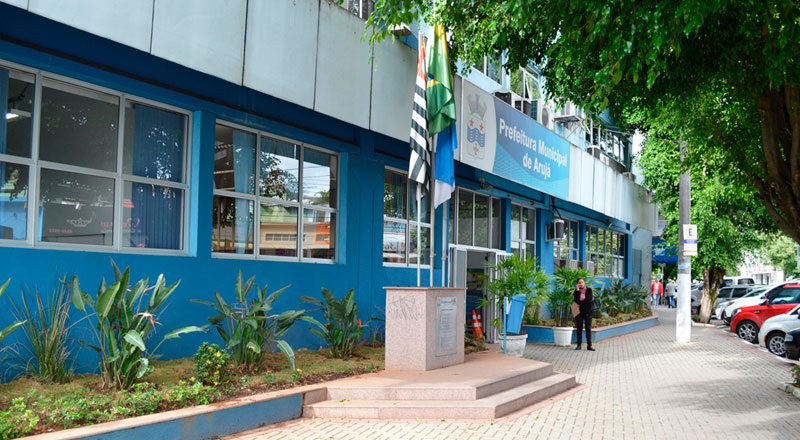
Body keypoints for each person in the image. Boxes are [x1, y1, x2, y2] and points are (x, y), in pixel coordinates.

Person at [573, 277, 594, 351]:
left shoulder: (589, 290)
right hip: (578, 312)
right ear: (577, 284)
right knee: (579, 328)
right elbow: (576, 300)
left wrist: (580, 303)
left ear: (584, 282)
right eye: (579, 283)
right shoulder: (576, 292)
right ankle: (579, 345)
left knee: (588, 328)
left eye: (582, 282)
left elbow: (589, 299)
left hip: (587, 312)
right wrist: (578, 291)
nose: (581, 284)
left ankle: (589, 345)